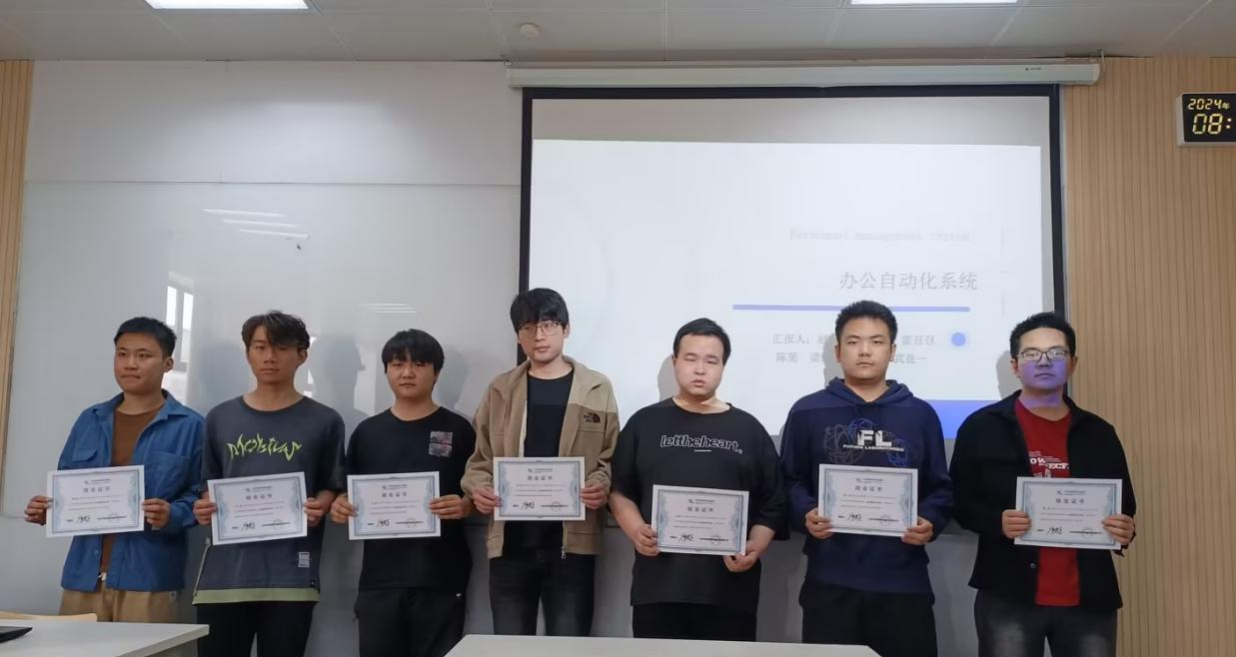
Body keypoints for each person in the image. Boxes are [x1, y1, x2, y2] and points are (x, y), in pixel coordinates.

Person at [950, 312, 1137, 657]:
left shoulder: (1099, 433)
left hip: (1088, 598)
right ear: (1015, 365)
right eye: (1032, 354)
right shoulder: (981, 427)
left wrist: (1124, 528)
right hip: (1008, 594)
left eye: (1056, 353)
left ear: (1073, 363)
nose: (1044, 361)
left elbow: (1124, 506)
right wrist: (997, 522)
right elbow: (959, 503)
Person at [779, 300, 953, 657]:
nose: (864, 351)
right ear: (838, 351)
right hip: (831, 579)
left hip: (903, 580)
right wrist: (805, 512)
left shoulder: (920, 414)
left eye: (876, 341)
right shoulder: (808, 410)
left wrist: (929, 520)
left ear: (892, 350)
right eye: (854, 341)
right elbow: (788, 480)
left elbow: (940, 487)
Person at [609, 318, 786, 641]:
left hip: (729, 590)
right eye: (690, 358)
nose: (700, 369)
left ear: (723, 367)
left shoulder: (749, 429)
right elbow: (620, 489)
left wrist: (755, 546)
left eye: (711, 361)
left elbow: (774, 501)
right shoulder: (644, 423)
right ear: (675, 361)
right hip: (659, 587)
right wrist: (636, 531)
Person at [461, 288, 619, 636]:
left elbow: (609, 458)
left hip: (572, 544)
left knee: (569, 648)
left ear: (566, 328)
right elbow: (480, 460)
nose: (539, 335)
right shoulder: (500, 390)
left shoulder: (596, 388)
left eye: (548, 325)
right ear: (518, 335)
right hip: (510, 544)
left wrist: (601, 485)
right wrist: (480, 488)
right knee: (510, 647)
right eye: (528, 327)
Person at [24, 317, 204, 622]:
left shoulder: (190, 425)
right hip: (83, 576)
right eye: (122, 354)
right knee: (74, 646)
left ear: (167, 364)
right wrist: (48, 510)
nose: (130, 364)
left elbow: (200, 495)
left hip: (148, 578)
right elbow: (66, 486)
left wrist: (172, 514)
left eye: (143, 355)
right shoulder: (90, 420)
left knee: (150, 647)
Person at [191, 311, 345, 657]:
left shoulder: (325, 420)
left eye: (281, 347)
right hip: (224, 578)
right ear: (248, 353)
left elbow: (330, 484)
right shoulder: (219, 417)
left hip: (290, 576)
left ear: (302, 355)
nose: (269, 356)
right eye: (260, 347)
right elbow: (207, 484)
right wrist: (204, 507)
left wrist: (321, 505)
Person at [330, 329, 476, 657]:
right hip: (380, 578)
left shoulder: (459, 429)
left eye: (419, 364)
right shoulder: (367, 432)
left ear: (436, 373)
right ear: (386, 371)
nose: (407, 372)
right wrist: (340, 506)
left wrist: (467, 505)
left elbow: (479, 493)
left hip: (441, 576)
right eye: (397, 364)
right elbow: (347, 495)